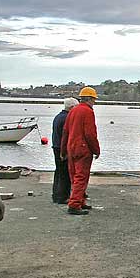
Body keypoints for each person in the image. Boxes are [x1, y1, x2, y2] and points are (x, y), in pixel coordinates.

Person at [60, 87, 100, 216]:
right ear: (91, 99)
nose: (94, 102)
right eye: (94, 100)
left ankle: (80, 201)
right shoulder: (88, 112)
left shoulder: (72, 111)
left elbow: (65, 132)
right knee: (81, 177)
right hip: (83, 149)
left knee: (74, 177)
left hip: (71, 148)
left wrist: (63, 150)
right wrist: (96, 150)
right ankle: (75, 204)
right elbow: (90, 134)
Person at [51, 97, 78, 204]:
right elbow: (66, 135)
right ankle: (62, 196)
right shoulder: (67, 118)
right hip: (62, 148)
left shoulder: (58, 116)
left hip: (56, 146)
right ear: (72, 107)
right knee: (65, 173)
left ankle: (56, 194)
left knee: (58, 172)